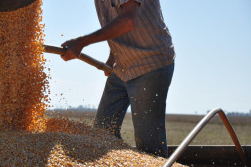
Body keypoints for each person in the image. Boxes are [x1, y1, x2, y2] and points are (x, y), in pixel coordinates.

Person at [60, 0, 175, 158]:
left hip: (150, 62)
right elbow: (115, 22)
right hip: (122, 65)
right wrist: (113, 55)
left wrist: (81, 42)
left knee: (149, 144)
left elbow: (127, 21)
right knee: (102, 131)